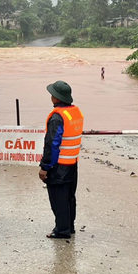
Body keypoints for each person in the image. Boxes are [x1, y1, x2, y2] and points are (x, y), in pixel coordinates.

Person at [39, 80, 84, 239]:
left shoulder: (57, 117)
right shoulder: (76, 112)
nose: (51, 97)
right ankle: (69, 226)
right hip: (73, 164)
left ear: (56, 98)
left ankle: (62, 230)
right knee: (69, 197)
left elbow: (52, 144)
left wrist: (45, 167)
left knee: (59, 199)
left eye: (52, 94)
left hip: (59, 166)